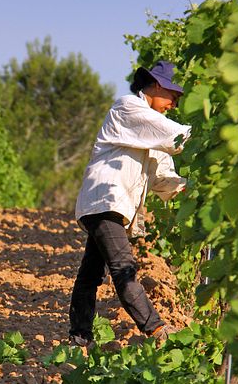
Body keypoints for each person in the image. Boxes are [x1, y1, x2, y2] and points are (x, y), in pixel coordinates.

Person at [69, 60, 191, 347]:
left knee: (90, 272)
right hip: (105, 200)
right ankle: (157, 329)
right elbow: (173, 136)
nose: (173, 105)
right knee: (124, 268)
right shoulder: (128, 107)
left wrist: (193, 189)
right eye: (173, 97)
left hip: (108, 206)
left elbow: (163, 177)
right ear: (157, 85)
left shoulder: (149, 132)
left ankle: (79, 336)